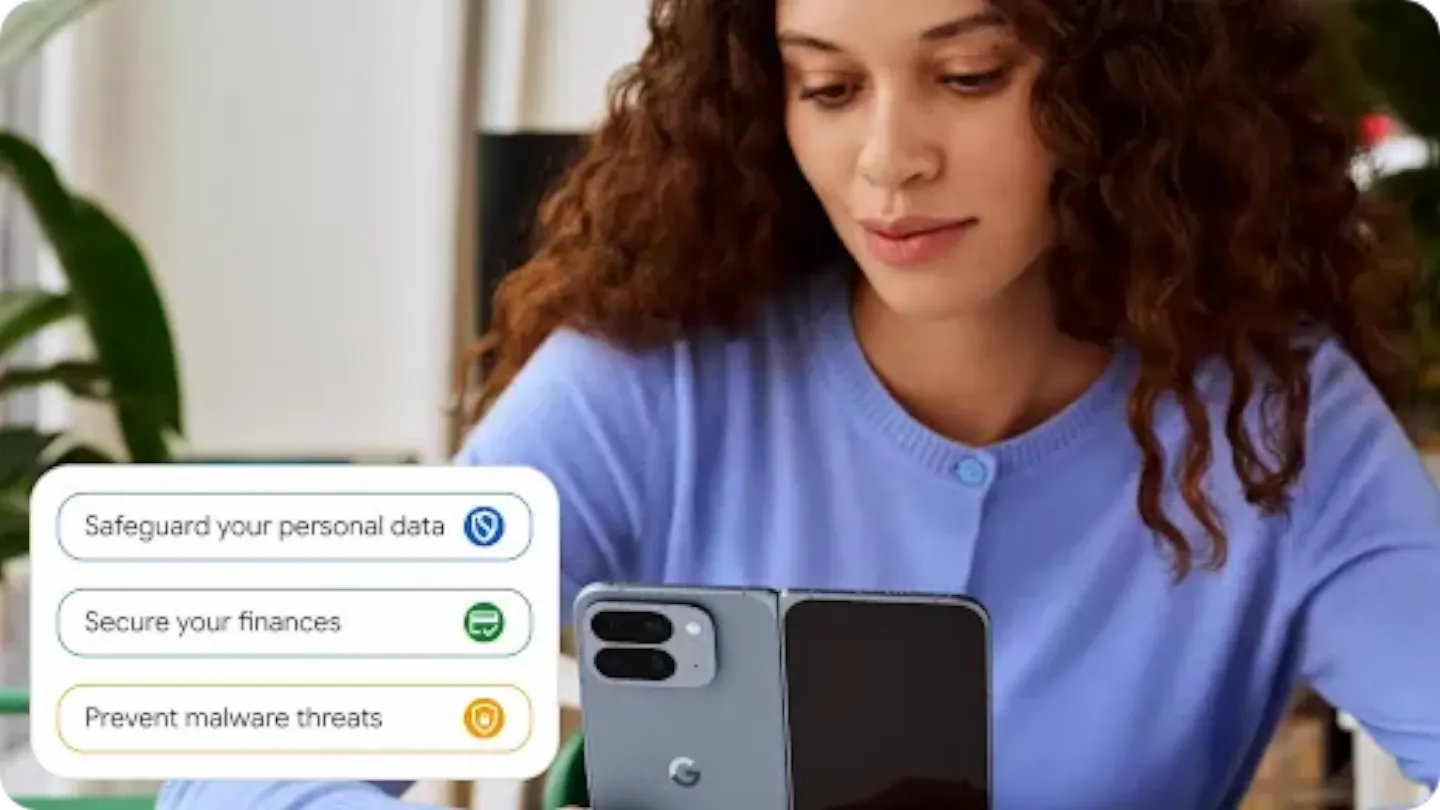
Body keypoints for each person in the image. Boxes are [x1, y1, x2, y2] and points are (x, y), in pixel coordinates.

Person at [158, 0, 1440, 807]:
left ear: (1128, 92)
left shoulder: (1278, 427)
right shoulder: (649, 382)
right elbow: (251, 754)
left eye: (972, 74)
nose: (888, 157)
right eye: (827, 86)